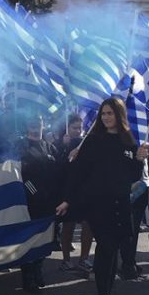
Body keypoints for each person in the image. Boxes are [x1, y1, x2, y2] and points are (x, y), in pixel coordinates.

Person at [56, 98, 149, 295]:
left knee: (113, 248)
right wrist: (68, 199)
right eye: (103, 113)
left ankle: (107, 294)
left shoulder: (129, 141)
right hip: (98, 204)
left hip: (121, 203)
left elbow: (133, 176)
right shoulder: (93, 140)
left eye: (110, 113)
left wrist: (139, 160)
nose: (106, 117)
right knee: (106, 247)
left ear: (120, 115)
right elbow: (78, 173)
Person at [17, 115, 61, 293]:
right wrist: (34, 193)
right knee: (30, 239)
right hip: (31, 202)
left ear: (43, 125)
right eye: (32, 124)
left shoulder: (50, 147)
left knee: (45, 239)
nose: (35, 128)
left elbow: (59, 171)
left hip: (49, 202)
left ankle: (38, 270)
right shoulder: (20, 147)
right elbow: (20, 174)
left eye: (38, 124)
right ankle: (28, 276)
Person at [57, 114, 94, 274]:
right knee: (68, 225)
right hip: (67, 191)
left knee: (87, 224)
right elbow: (57, 167)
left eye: (80, 128)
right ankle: (66, 260)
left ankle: (84, 258)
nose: (78, 131)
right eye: (74, 128)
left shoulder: (86, 143)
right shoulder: (59, 144)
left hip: (84, 191)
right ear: (67, 128)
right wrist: (64, 148)